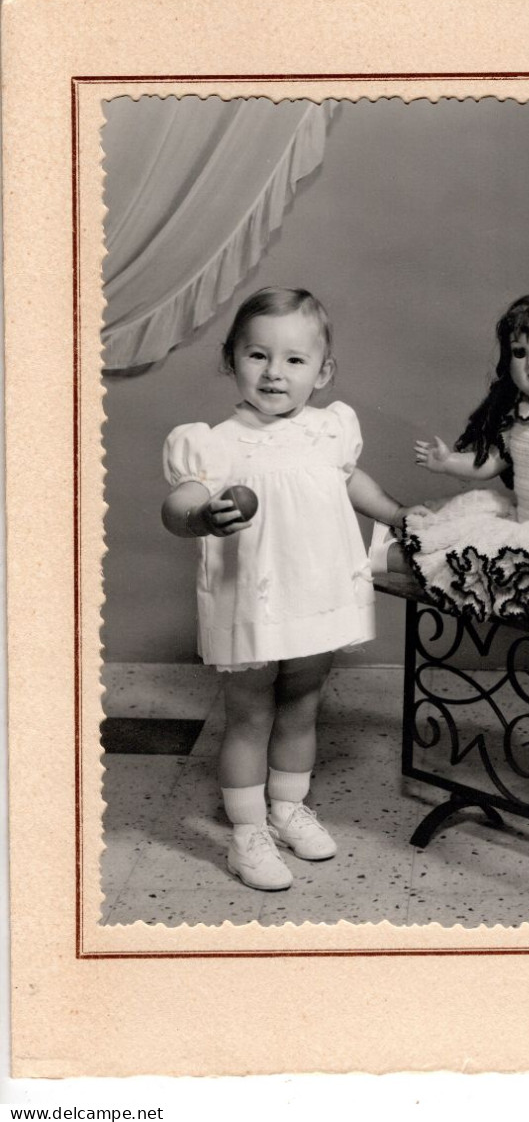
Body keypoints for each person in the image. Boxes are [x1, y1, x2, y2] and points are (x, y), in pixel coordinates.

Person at [162, 287, 412, 891]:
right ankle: (247, 834)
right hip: (255, 600)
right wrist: (200, 517)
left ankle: (287, 808)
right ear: (231, 359)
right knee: (249, 712)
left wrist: (399, 514)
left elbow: (353, 484)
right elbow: (180, 502)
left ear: (322, 372)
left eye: (295, 360)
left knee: (303, 701)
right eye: (257, 355)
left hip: (317, 593)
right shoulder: (213, 441)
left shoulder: (330, 430)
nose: (275, 372)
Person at [370, 292, 529, 638]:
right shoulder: (518, 417)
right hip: (525, 522)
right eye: (519, 352)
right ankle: (386, 556)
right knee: (471, 554)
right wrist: (448, 462)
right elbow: (491, 463)